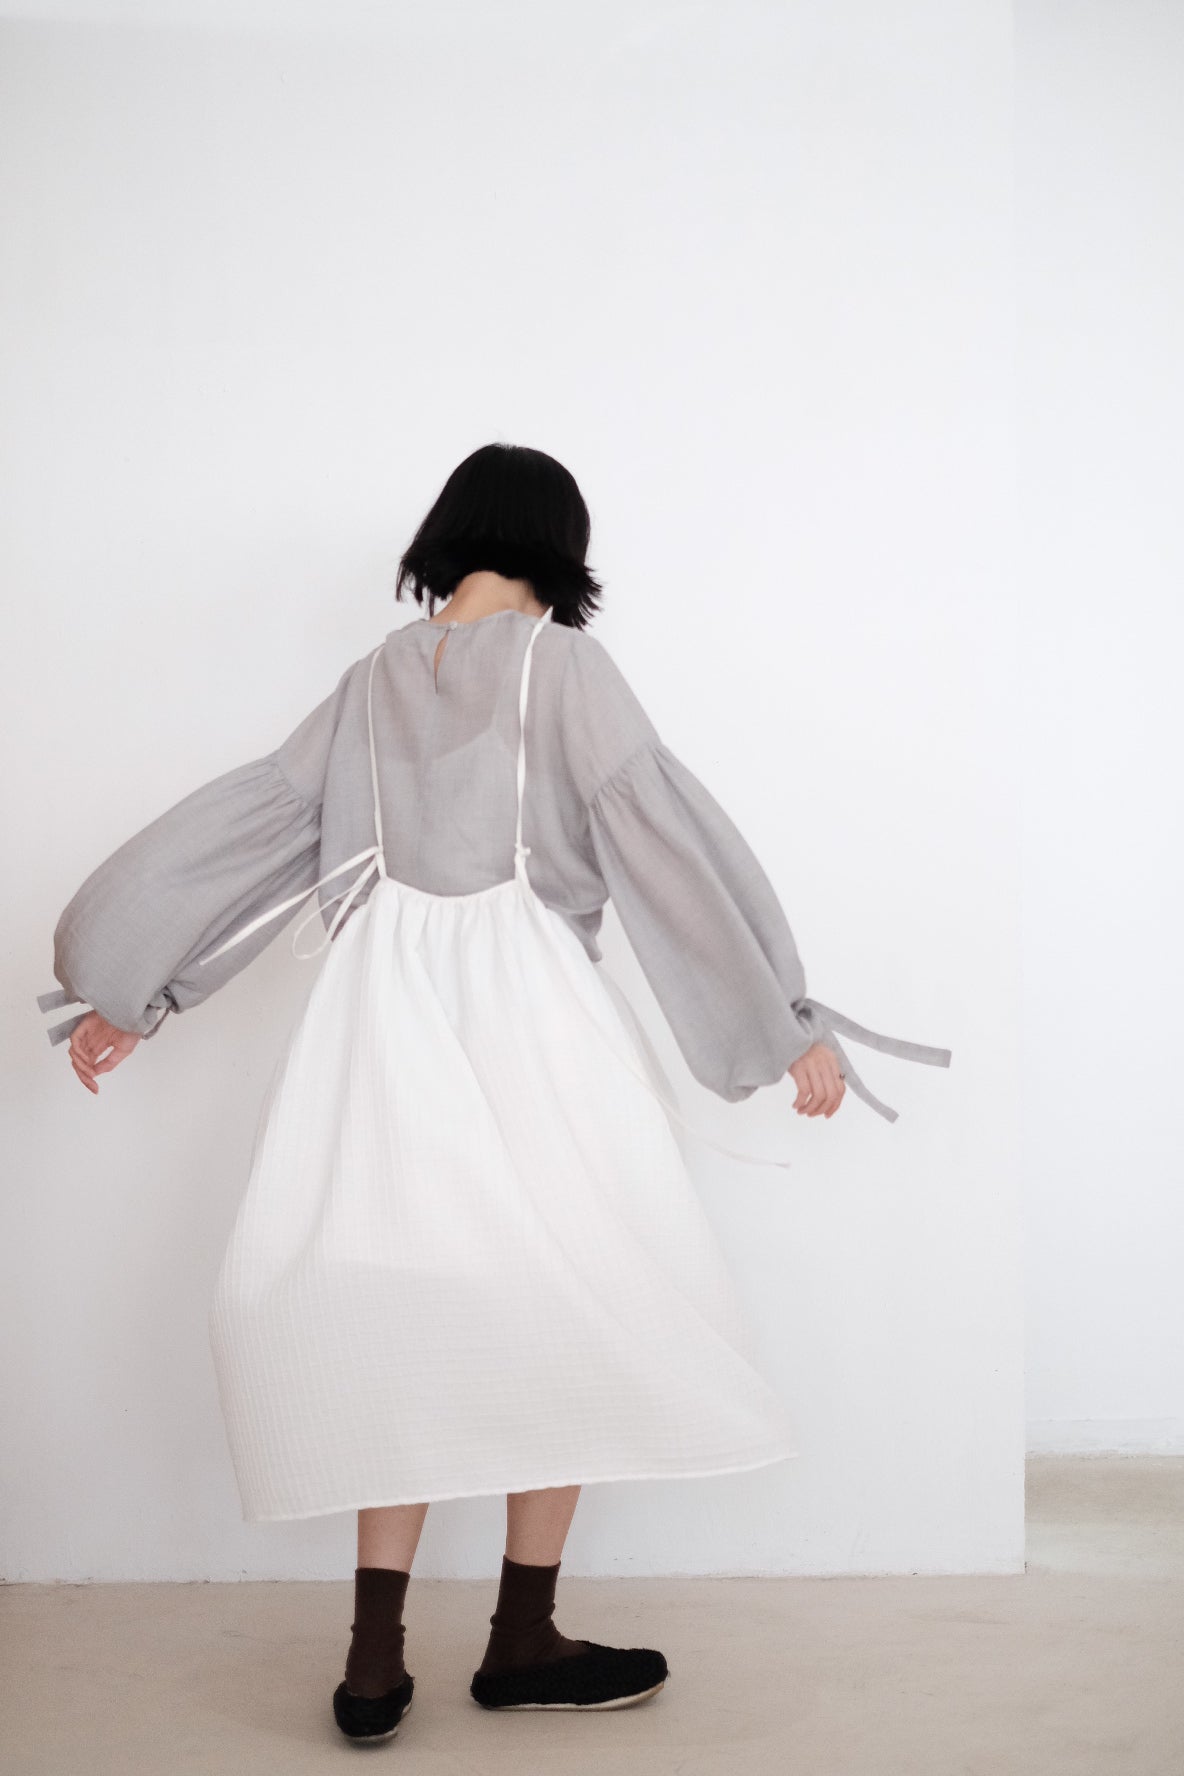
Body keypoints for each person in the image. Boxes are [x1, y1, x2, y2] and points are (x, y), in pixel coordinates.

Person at [38, 442, 951, 1743]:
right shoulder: (565, 669)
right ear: (558, 545)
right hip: (531, 1020)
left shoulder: (370, 683)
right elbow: (667, 847)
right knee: (572, 1298)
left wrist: (134, 989)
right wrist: (777, 1020)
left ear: (453, 533)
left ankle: (373, 1665)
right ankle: (522, 1639)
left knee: (394, 1307)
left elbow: (255, 840)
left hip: (381, 1024)